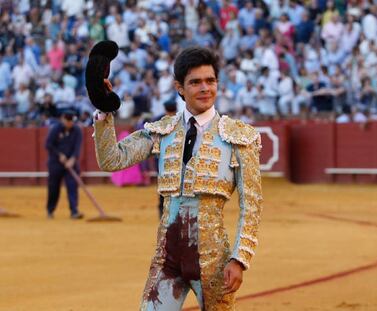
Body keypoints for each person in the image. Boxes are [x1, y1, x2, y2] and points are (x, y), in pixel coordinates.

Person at [92, 46, 263, 310]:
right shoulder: (163, 130)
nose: (205, 88)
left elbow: (251, 206)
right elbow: (112, 159)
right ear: (180, 88)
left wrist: (240, 258)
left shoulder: (239, 137)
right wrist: (104, 110)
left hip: (213, 261)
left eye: (210, 81)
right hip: (167, 258)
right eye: (195, 82)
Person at [45, 109, 83, 219]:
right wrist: (59, 155)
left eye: (72, 121)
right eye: (68, 121)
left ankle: (74, 211)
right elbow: (48, 145)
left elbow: (77, 147)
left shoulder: (77, 130)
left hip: (71, 163)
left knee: (72, 186)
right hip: (55, 163)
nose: (70, 123)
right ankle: (50, 210)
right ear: (63, 119)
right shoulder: (55, 129)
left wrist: (72, 159)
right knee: (54, 187)